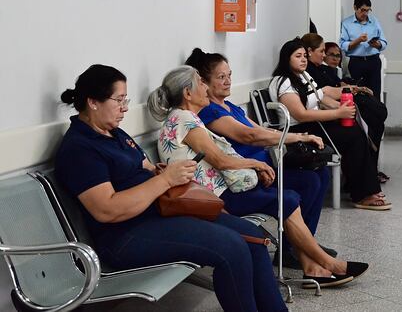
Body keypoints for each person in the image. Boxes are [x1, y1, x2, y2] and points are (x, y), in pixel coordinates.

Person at [56, 64, 287, 312]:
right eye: (119, 100)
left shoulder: (115, 134)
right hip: (125, 234)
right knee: (231, 247)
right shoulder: (80, 149)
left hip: (161, 213)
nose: (125, 107)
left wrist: (159, 172)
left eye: (126, 99)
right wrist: (165, 180)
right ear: (93, 102)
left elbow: (143, 166)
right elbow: (107, 209)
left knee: (254, 238)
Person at [148, 66, 368, 288]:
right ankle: (328, 264)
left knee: (289, 196)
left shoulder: (184, 118)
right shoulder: (185, 120)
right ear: (187, 93)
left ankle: (313, 267)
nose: (205, 87)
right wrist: (255, 163)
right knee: (287, 199)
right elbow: (220, 160)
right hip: (212, 198)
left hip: (218, 191)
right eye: (200, 82)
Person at [184, 48, 331, 248]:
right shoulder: (210, 111)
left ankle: (303, 243)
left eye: (229, 75)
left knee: (321, 174)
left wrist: (300, 137)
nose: (228, 81)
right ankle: (295, 247)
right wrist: (294, 137)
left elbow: (260, 130)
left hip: (265, 166)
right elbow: (249, 136)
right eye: (221, 77)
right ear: (205, 82)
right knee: (310, 181)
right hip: (251, 174)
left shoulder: (229, 106)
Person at [270, 38, 391, 211]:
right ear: (286, 58)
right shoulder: (283, 82)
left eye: (305, 55)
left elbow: (320, 96)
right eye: (298, 56)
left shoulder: (303, 76)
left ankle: (364, 189)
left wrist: (340, 105)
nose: (304, 59)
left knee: (355, 131)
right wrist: (337, 113)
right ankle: (364, 193)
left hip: (314, 124)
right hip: (299, 129)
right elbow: (301, 115)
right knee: (352, 136)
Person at [301, 34, 389, 183]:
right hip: (322, 119)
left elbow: (329, 89)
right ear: (310, 51)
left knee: (375, 122)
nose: (324, 56)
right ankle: (363, 181)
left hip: (335, 108)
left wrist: (352, 89)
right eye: (322, 52)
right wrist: (340, 107)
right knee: (364, 127)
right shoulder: (303, 75)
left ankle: (369, 174)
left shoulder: (322, 70)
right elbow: (317, 100)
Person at [339, 0, 387, 99]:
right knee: (358, 93)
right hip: (356, 63)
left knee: (375, 93)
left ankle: (375, 115)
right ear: (355, 8)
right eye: (363, 10)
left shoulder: (374, 21)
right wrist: (358, 41)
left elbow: (384, 42)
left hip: (373, 61)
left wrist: (377, 44)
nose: (365, 13)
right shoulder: (346, 23)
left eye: (368, 10)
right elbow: (342, 45)